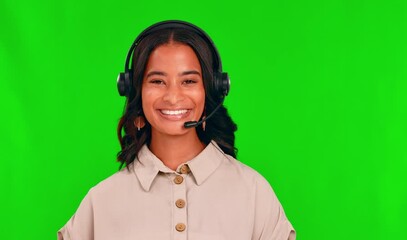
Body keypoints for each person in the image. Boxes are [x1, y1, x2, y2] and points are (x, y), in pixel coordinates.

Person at [58, 20, 295, 240]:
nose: (173, 97)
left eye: (189, 81)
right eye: (157, 81)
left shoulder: (254, 193)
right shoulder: (100, 202)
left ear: (211, 89)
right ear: (135, 91)